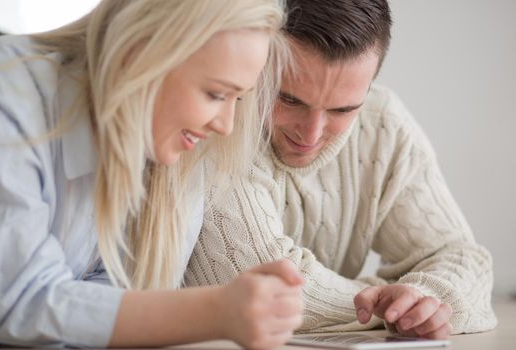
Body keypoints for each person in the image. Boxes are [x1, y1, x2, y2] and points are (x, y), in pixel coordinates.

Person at [0, 0, 304, 348]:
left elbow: (114, 305)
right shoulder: (3, 101)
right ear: (138, 55)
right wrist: (214, 312)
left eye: (238, 99)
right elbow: (14, 301)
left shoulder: (171, 146)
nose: (226, 125)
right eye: (216, 94)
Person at [185, 0, 497, 340]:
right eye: (289, 100)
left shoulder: (382, 124)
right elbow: (256, 283)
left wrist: (426, 301)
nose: (312, 133)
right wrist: (388, 306)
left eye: (343, 109)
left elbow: (462, 257)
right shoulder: (219, 122)